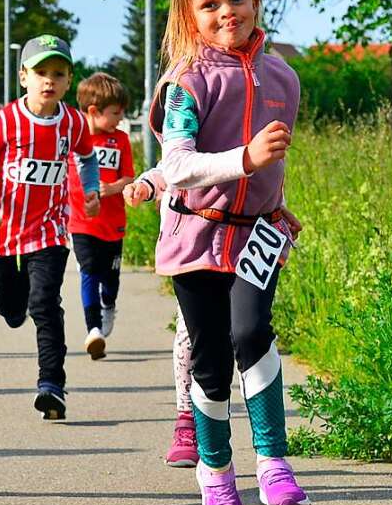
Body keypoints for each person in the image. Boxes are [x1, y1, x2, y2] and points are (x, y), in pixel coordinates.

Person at [147, 0, 309, 505]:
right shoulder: (184, 84)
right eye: (209, 4)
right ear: (190, 17)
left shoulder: (284, 77)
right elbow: (181, 166)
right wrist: (245, 160)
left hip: (259, 232)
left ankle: (274, 463)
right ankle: (216, 474)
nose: (227, 12)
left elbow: (276, 162)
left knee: (252, 331)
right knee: (211, 359)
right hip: (196, 232)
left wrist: (273, 197)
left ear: (255, 1)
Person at [125, 166, 303, 468]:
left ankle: (270, 457)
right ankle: (187, 422)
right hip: (195, 247)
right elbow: (174, 165)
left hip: (248, 239)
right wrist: (145, 186)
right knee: (193, 337)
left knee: (248, 330)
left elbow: (259, 179)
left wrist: (278, 208)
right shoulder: (192, 123)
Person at [0, 35, 100, 421]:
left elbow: (87, 160)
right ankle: (11, 303)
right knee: (10, 306)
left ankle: (52, 387)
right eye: (40, 72)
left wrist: (89, 189)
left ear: (69, 79)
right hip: (6, 233)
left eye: (58, 74)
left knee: (45, 304)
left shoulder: (73, 122)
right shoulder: (5, 121)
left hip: (51, 233)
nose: (49, 81)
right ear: (24, 76)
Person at [67, 72, 135, 361]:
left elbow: (129, 176)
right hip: (82, 222)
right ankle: (93, 329)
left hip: (113, 222)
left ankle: (109, 305)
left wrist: (115, 187)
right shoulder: (74, 138)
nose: (120, 120)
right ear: (93, 111)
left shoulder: (120, 140)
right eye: (115, 114)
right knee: (88, 271)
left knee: (110, 281)